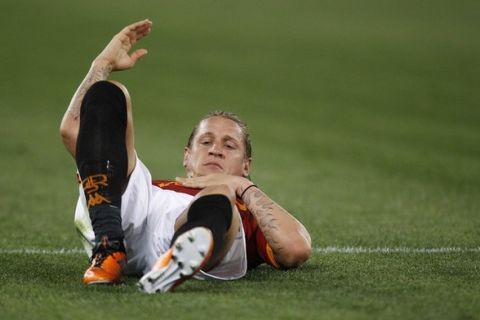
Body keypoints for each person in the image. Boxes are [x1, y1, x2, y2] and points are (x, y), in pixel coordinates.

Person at [59, 19, 311, 293]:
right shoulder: (152, 188)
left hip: (213, 233)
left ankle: (180, 255)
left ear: (246, 165)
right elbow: (73, 131)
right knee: (109, 92)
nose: (215, 149)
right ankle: (109, 247)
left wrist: (240, 186)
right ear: (187, 157)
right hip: (135, 217)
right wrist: (101, 66)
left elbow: (295, 248)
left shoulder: (250, 213)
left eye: (229, 145)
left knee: (220, 195)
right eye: (206, 141)